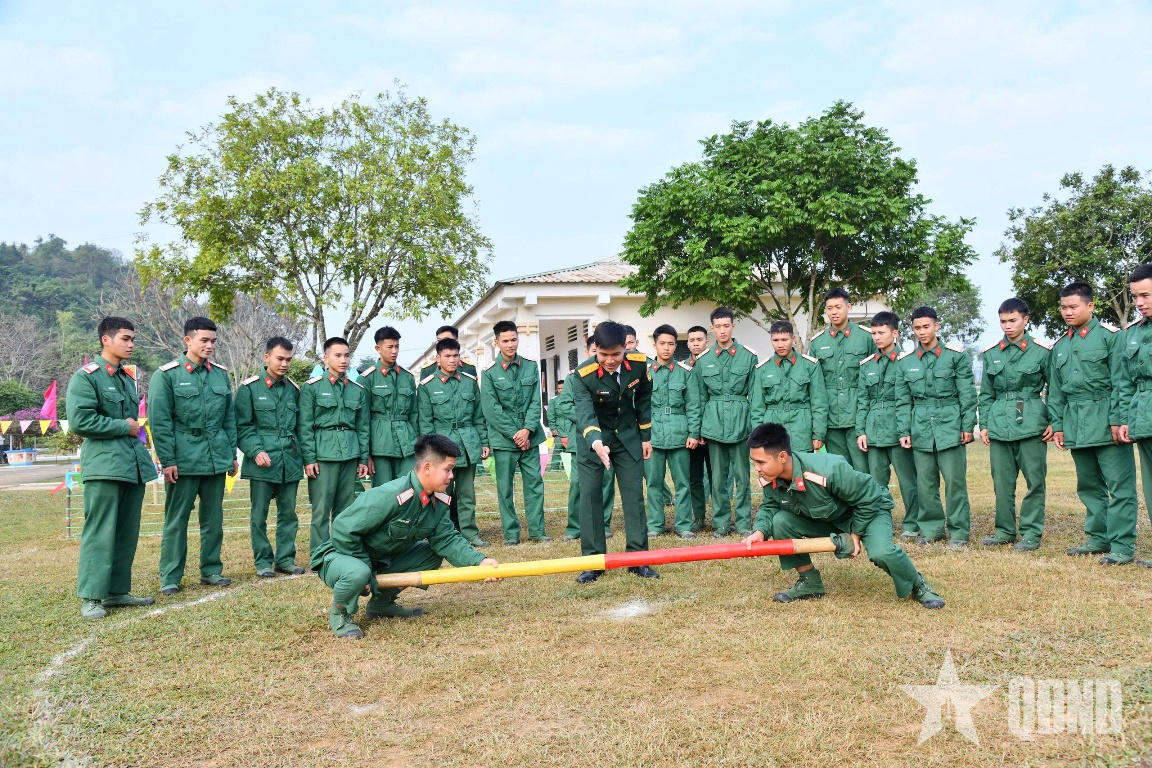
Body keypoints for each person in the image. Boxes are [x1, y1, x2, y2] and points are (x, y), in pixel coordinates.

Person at [310, 434, 500, 638]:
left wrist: (479, 562)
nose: (451, 476)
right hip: (341, 557)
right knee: (357, 573)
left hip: (379, 561)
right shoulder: (391, 495)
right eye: (448, 469)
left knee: (432, 554)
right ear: (427, 467)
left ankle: (381, 604)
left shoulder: (436, 500)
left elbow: (446, 539)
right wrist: (364, 566)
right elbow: (342, 529)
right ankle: (341, 615)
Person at [742, 423, 944, 608]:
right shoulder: (770, 477)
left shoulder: (828, 469)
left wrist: (855, 535)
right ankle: (810, 583)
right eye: (754, 462)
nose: (757, 469)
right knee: (780, 522)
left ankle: (918, 585)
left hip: (868, 508)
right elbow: (770, 506)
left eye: (761, 462)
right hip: (830, 517)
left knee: (882, 552)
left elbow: (869, 498)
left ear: (783, 457)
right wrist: (760, 532)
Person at [67, 316, 158, 618]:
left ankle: (117, 591)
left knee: (126, 531)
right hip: (104, 465)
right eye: (125, 338)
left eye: (133, 339)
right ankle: (92, 597)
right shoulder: (87, 377)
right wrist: (123, 426)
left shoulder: (124, 378)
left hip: (131, 465)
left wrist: (129, 431)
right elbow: (80, 421)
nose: (131, 344)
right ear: (106, 340)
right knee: (100, 531)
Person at [1048, 282, 1137, 565]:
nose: (1067, 312)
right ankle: (1098, 537)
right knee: (1088, 485)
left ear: (1091, 306)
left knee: (1120, 487)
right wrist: (1058, 425)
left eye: (1073, 306)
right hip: (1076, 422)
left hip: (1107, 418)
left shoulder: (1112, 337)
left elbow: (1121, 382)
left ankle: (1122, 546)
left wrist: (1119, 419)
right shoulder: (1061, 345)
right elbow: (1056, 390)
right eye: (1063, 307)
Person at [149, 316, 238, 595]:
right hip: (183, 459)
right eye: (204, 340)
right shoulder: (167, 374)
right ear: (188, 340)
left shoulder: (220, 374)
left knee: (213, 520)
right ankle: (171, 576)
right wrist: (168, 460)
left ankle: (211, 570)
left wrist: (231, 455)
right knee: (177, 520)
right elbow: (160, 421)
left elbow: (229, 419)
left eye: (213, 341)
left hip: (215, 458)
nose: (210, 345)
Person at [570, 321, 657, 582]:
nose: (610, 360)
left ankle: (638, 559)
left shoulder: (640, 364)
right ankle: (593, 562)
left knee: (634, 497)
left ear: (625, 348)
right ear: (594, 349)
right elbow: (584, 414)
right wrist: (597, 443)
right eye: (603, 354)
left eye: (616, 354)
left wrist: (645, 436)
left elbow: (643, 397)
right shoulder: (582, 375)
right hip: (593, 439)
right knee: (591, 498)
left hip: (627, 436)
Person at [894, 306, 977, 549]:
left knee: (955, 482)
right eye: (917, 328)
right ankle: (931, 529)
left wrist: (967, 425)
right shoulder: (906, 362)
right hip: (920, 427)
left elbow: (967, 394)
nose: (921, 332)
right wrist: (904, 431)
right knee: (925, 483)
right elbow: (902, 401)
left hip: (950, 425)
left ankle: (959, 532)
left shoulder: (956, 356)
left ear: (936, 326)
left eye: (926, 326)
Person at [977, 298, 1053, 551]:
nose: (1007, 326)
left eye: (1013, 320)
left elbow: (1056, 388)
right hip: (999, 423)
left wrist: (1054, 420)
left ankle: (1031, 533)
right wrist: (985, 423)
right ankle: (1004, 531)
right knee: (1002, 483)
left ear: (1025, 320)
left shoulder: (1043, 351)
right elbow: (986, 393)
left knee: (1035, 481)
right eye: (1003, 321)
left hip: (1031, 422)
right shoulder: (991, 354)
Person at [234, 336, 305, 578]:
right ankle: (263, 561)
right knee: (259, 515)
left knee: (288, 514)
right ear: (267, 358)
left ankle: (285, 559)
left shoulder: (294, 390)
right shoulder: (249, 389)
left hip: (290, 460)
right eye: (280, 358)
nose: (285, 364)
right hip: (263, 461)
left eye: (288, 359)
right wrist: (255, 451)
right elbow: (242, 427)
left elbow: (299, 427)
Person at [299, 337, 370, 558]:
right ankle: (320, 554)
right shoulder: (312, 388)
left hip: (349, 453)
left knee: (346, 508)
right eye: (337, 355)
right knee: (321, 509)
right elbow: (305, 426)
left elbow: (362, 426)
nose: (343, 360)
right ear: (326, 358)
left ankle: (342, 550)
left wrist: (362, 458)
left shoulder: (357, 390)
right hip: (323, 455)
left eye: (346, 355)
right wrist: (309, 459)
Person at [691, 307, 758, 537]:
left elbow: (756, 395)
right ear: (712, 328)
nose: (722, 331)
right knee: (717, 479)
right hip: (714, 424)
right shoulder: (703, 361)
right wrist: (698, 428)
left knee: (743, 478)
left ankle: (742, 524)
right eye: (718, 326)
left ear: (733, 326)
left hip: (741, 423)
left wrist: (755, 428)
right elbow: (699, 398)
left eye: (726, 325)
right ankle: (720, 524)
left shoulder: (749, 357)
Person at [481, 320, 550, 544]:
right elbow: (492, 410)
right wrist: (516, 434)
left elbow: (535, 401)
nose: (510, 345)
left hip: (530, 437)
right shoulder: (489, 373)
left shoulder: (531, 366)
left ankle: (537, 532)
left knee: (534, 485)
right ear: (496, 342)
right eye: (505, 341)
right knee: (505, 489)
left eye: (513, 339)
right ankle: (511, 535)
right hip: (504, 441)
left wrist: (528, 430)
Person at [417, 337, 489, 547]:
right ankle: (442, 534)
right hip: (441, 446)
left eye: (455, 355)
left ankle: (469, 534)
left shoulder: (469, 381)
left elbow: (478, 416)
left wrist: (483, 442)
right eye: (447, 356)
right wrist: (431, 451)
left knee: (467, 494)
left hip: (467, 444)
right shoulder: (427, 386)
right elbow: (425, 423)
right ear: (438, 359)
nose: (451, 360)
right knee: (441, 494)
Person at [855, 312, 920, 540]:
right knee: (876, 483)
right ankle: (882, 524)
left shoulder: (908, 360)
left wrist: (906, 430)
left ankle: (912, 523)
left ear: (895, 333)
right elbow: (862, 400)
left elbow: (909, 399)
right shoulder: (867, 365)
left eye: (881, 332)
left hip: (899, 430)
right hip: (874, 432)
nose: (877, 337)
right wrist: (860, 431)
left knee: (908, 481)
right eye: (873, 333)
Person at [550, 336, 615, 542]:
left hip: (607, 437)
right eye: (595, 351)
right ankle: (574, 526)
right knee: (578, 484)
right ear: (588, 353)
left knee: (606, 481)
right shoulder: (574, 377)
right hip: (582, 439)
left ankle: (603, 524)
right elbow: (564, 405)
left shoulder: (615, 375)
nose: (600, 355)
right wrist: (588, 419)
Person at [808, 289, 874, 472]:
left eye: (838, 307)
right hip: (830, 418)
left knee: (863, 469)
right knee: (839, 471)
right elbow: (813, 386)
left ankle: (866, 501)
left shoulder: (866, 337)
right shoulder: (817, 343)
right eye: (829, 308)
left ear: (849, 307)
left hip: (857, 416)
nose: (834, 312)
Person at [645, 324, 701, 538]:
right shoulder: (645, 373)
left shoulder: (686, 372)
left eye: (670, 344)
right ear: (655, 345)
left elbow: (693, 405)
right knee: (653, 483)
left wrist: (694, 433)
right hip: (652, 435)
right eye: (662, 344)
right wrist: (643, 437)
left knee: (683, 484)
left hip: (679, 434)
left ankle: (684, 525)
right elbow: (637, 406)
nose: (666, 348)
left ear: (676, 345)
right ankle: (655, 525)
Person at [750, 320, 827, 451]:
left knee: (802, 469)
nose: (780, 344)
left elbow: (819, 402)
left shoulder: (810, 365)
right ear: (771, 341)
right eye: (776, 340)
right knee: (775, 470)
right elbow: (757, 407)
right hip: (772, 428)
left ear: (793, 339)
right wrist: (759, 435)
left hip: (801, 429)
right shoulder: (762, 369)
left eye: (784, 339)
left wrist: (818, 433)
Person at [360, 326, 418, 488]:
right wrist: (367, 455)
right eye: (390, 347)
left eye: (397, 346)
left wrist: (419, 446)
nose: (394, 351)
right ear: (378, 348)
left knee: (408, 488)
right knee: (383, 492)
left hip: (407, 443)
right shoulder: (367, 378)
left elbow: (414, 415)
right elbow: (363, 419)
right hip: (379, 445)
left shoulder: (407, 377)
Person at [1123, 264, 1152, 568]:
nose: (1140, 302)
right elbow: (1125, 381)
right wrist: (1125, 418)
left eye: (1145, 295)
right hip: (1143, 415)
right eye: (1135, 297)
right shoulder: (1134, 333)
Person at [685, 324, 713, 531]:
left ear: (707, 341)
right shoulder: (682, 367)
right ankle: (698, 518)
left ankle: (720, 519)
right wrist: (694, 431)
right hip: (692, 434)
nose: (696, 343)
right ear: (687, 343)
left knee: (718, 478)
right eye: (692, 340)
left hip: (714, 431)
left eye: (700, 340)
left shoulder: (715, 363)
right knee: (694, 478)